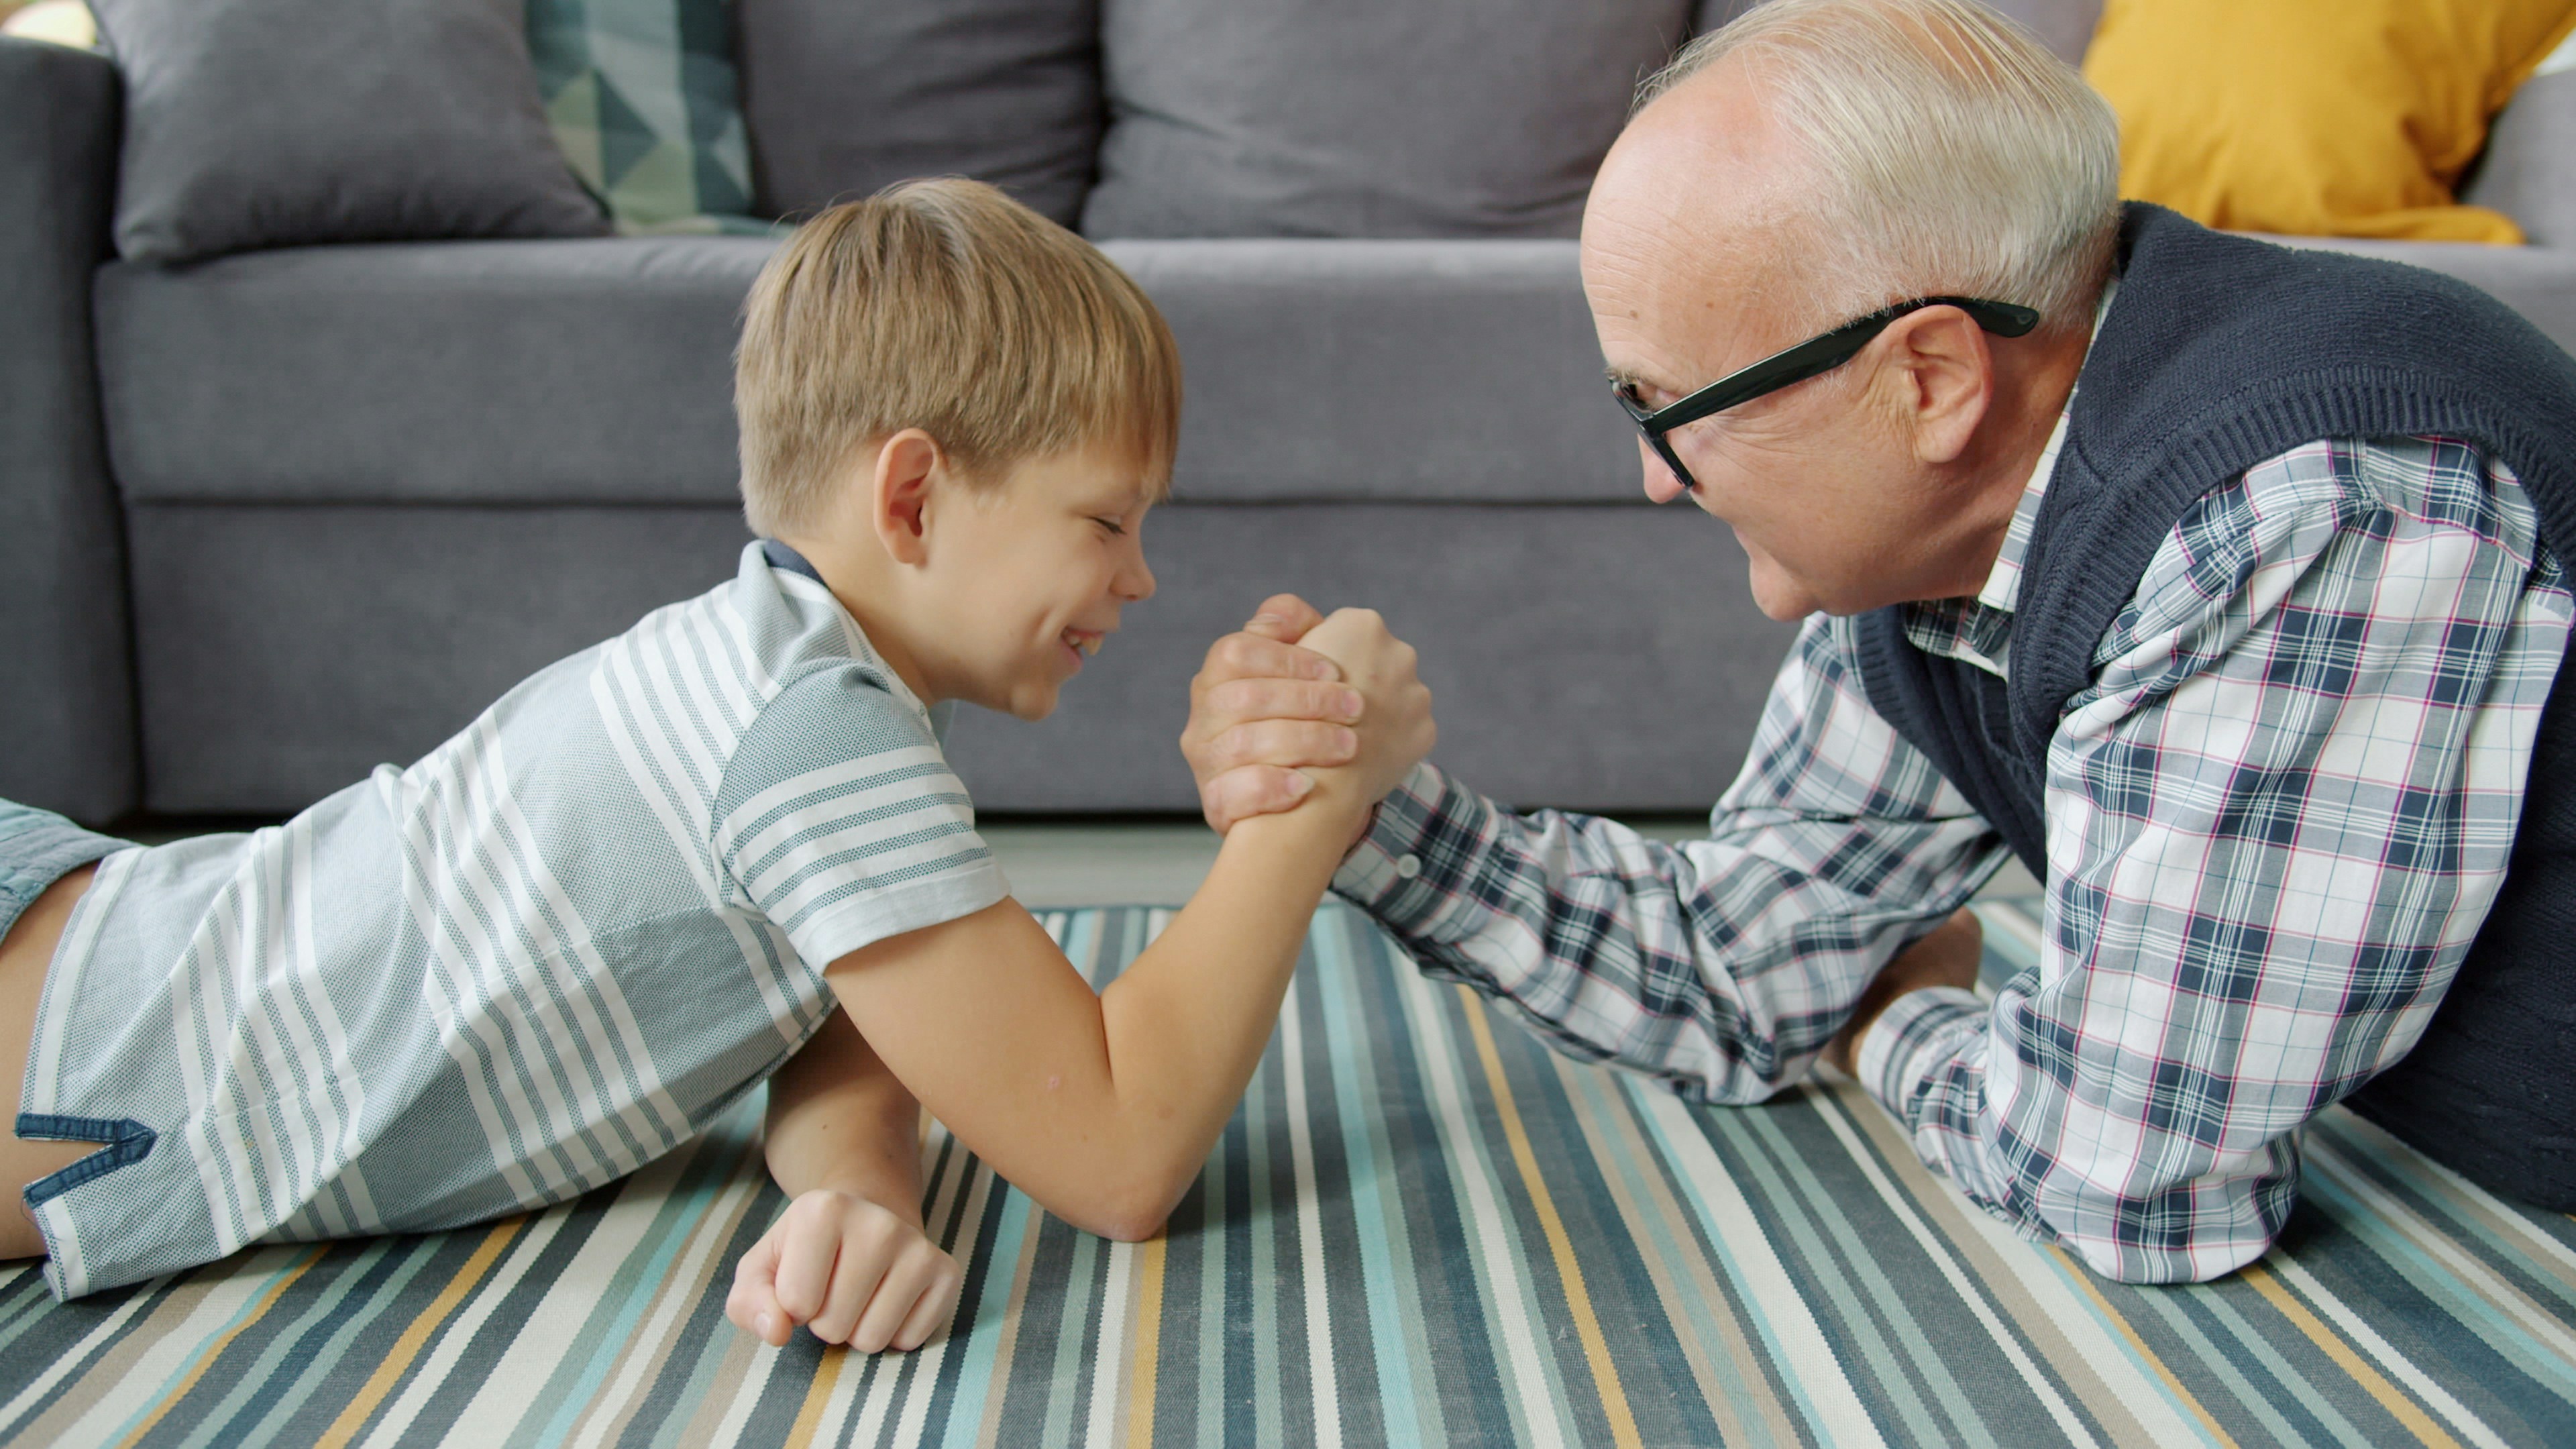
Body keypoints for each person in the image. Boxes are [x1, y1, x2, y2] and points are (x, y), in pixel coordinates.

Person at [1179, 0, 2576, 1284]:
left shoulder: (2306, 512)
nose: (1657, 478)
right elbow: (1746, 970)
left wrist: (1893, 1027)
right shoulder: (1948, 536)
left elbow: (2121, 1185)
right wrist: (1364, 808)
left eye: (1670, 408)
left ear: (1930, 378)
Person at [0, 178, 1437, 1351]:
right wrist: (1311, 810)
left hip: (95, 926)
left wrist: (862, 1197)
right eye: (1106, 522)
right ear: (917, 495)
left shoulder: (801, 681)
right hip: (88, 1031)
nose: (1140, 581)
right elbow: (1121, 1153)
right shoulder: (809, 734)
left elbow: (837, 1025)